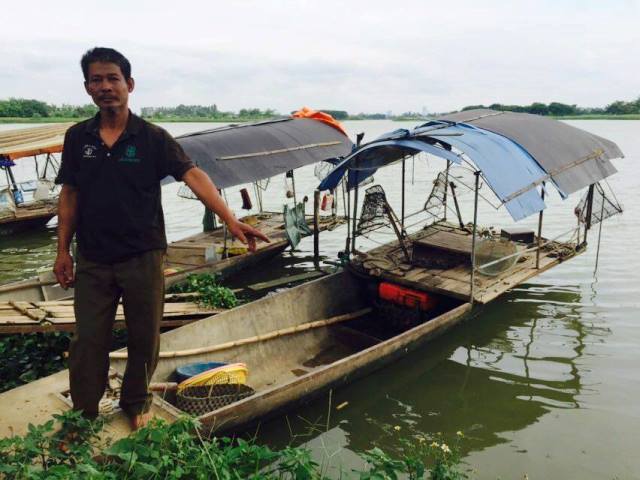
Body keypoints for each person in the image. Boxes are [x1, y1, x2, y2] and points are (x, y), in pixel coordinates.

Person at [53, 47, 269, 430]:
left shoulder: (152, 137)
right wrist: (62, 251)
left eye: (113, 78)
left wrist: (231, 221)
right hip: (94, 258)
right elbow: (69, 194)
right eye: (97, 80)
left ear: (129, 84)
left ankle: (136, 402)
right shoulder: (77, 137)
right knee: (88, 341)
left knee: (144, 336)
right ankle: (84, 414)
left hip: (144, 256)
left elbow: (193, 175)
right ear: (87, 87)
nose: (105, 86)